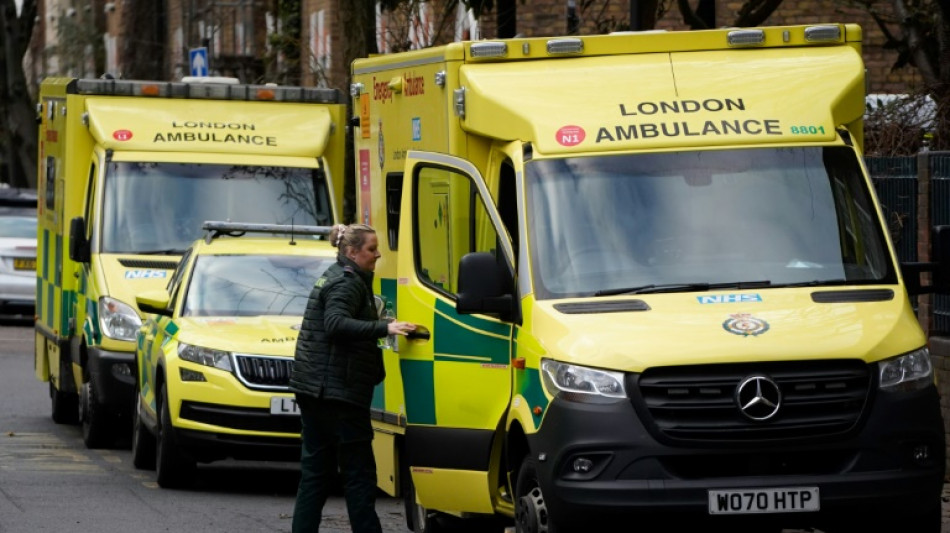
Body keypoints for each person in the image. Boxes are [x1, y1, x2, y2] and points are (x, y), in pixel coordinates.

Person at [289, 223, 415, 533]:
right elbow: (335, 323)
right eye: (372, 249)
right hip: (339, 395)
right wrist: (383, 328)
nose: (378, 254)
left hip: (316, 390)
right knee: (359, 476)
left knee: (315, 476)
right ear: (352, 252)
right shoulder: (347, 282)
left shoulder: (337, 275)